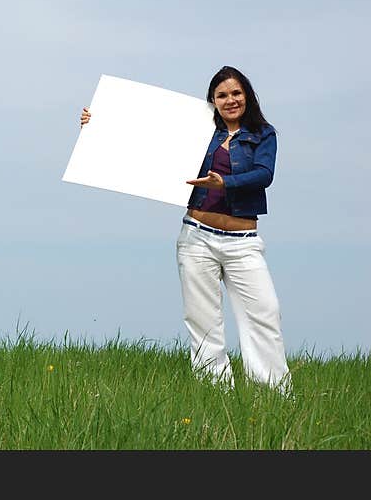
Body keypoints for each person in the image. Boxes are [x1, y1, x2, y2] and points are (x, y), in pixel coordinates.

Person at [79, 66, 291, 394]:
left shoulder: (263, 134)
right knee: (203, 320)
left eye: (236, 93)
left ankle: (274, 394)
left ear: (246, 94)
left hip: (243, 241)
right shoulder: (200, 130)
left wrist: (227, 182)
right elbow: (144, 138)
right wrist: (98, 124)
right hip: (197, 237)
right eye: (222, 95)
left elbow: (265, 174)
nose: (230, 100)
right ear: (213, 101)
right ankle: (215, 393)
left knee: (265, 314)